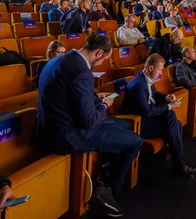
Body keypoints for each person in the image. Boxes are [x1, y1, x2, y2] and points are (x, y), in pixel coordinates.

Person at [36, 33, 142, 217]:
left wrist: (94, 98)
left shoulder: (62, 59)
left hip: (54, 125)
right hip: (68, 135)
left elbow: (69, 96)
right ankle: (108, 187)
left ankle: (102, 174)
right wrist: (103, 104)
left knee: (124, 125)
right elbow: (89, 121)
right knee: (136, 141)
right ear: (99, 53)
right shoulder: (81, 72)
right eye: (104, 60)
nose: (101, 64)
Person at [121, 53, 196, 177]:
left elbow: (154, 94)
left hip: (146, 117)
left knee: (174, 121)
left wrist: (167, 97)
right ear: (151, 68)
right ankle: (179, 164)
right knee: (174, 122)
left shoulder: (146, 78)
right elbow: (147, 111)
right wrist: (169, 106)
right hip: (136, 123)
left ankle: (178, 164)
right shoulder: (138, 85)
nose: (161, 74)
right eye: (160, 70)